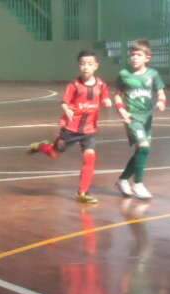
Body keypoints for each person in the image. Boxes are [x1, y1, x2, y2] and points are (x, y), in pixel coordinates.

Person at [28, 50, 111, 204]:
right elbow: (64, 102)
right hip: (71, 129)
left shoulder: (101, 85)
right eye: (83, 64)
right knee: (54, 154)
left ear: (96, 66)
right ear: (79, 66)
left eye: (90, 64)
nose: (86, 67)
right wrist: (67, 110)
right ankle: (41, 146)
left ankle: (83, 193)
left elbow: (105, 94)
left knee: (90, 157)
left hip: (89, 130)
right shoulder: (74, 85)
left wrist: (107, 101)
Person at [114, 39, 166, 200]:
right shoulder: (124, 74)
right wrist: (122, 111)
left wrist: (161, 102)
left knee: (140, 151)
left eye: (139, 55)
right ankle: (138, 184)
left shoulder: (153, 74)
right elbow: (116, 95)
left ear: (147, 58)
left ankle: (122, 180)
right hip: (132, 118)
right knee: (144, 147)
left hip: (147, 118)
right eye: (132, 55)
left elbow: (161, 93)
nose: (134, 57)